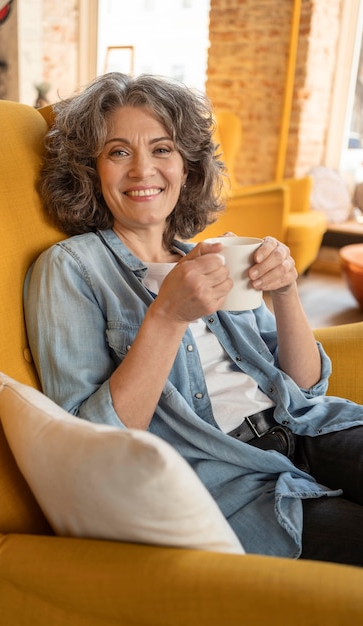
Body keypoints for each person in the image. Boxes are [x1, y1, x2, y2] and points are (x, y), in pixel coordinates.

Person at [24, 72, 363, 565]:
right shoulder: (71, 269)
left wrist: (287, 292)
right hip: (231, 475)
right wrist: (166, 316)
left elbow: (304, 389)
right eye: (119, 152)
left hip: (309, 426)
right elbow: (91, 446)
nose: (143, 170)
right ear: (89, 170)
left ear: (187, 167)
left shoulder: (210, 255)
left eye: (162, 149)